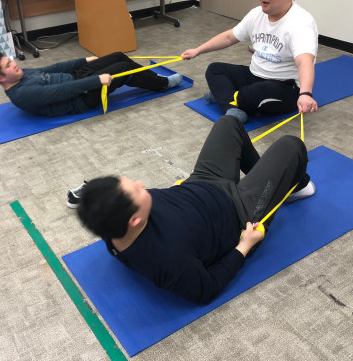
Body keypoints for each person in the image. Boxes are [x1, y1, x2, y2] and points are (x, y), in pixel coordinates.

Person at [76, 116, 315, 304]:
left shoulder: (112, 224)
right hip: (239, 213)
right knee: (292, 145)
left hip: (202, 181)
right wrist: (244, 246)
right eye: (138, 191)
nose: (141, 184)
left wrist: (175, 192)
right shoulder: (167, 261)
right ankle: (295, 186)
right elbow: (206, 290)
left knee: (229, 123)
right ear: (135, 220)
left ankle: (272, 180)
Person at [182, 0, 319, 123]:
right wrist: (198, 50)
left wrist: (305, 94)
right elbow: (229, 37)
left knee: (250, 94)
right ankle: (231, 103)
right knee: (215, 70)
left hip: (284, 86)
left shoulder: (301, 23)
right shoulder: (256, 14)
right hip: (254, 75)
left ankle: (225, 97)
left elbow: (304, 61)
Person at [0, 52, 183, 116]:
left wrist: (83, 61)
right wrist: (97, 80)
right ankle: (162, 84)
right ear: (1, 78)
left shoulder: (19, 75)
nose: (14, 64)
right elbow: (63, 90)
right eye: (8, 66)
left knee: (118, 56)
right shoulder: (22, 94)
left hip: (76, 78)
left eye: (11, 61)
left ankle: (150, 77)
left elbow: (52, 68)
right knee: (123, 68)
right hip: (81, 97)